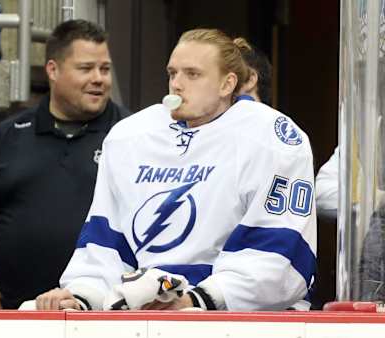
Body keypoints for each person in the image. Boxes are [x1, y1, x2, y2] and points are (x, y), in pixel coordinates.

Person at [36, 28, 316, 311]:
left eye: (192, 74)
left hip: (245, 321)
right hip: (151, 314)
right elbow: (105, 244)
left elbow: (280, 254)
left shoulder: (272, 137)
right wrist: (82, 296)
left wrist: (197, 300)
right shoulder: (129, 137)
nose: (177, 85)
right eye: (172, 73)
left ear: (227, 84)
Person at [0, 19, 129, 309]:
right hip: (18, 313)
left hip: (104, 315)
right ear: (53, 70)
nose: (99, 78)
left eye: (105, 69)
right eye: (86, 68)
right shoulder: (7, 136)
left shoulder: (131, 135)